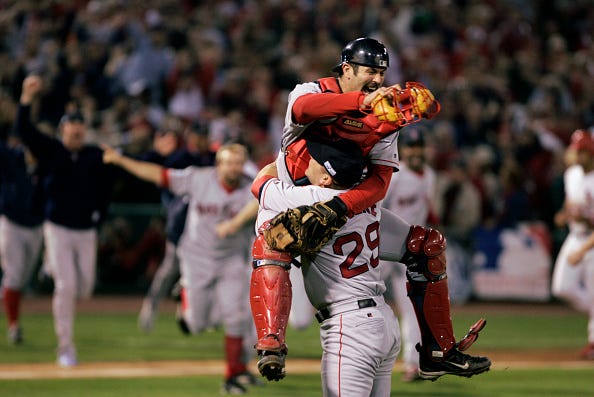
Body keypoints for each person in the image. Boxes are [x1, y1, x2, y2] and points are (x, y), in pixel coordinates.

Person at [250, 37, 491, 382]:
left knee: (427, 245)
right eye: (369, 71)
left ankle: (437, 352)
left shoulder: (385, 119)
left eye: (381, 72)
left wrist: (340, 206)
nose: (378, 79)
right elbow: (306, 110)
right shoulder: (309, 89)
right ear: (346, 69)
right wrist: (362, 102)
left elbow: (379, 183)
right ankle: (272, 342)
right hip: (296, 195)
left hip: (348, 202)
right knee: (272, 242)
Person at [102, 142, 263, 395]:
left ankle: (233, 374)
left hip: (231, 259)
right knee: (197, 324)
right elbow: (158, 174)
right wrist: (121, 160)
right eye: (229, 162)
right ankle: (184, 292)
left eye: (239, 162)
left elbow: (263, 198)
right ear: (218, 164)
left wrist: (235, 223)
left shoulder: (251, 185)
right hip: (197, 259)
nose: (235, 167)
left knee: (237, 316)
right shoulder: (198, 179)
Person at [253, 137, 401, 396]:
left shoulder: (315, 195)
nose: (308, 159)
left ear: (326, 179)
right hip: (382, 318)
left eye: (315, 159)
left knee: (269, 241)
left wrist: (282, 160)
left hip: (351, 326)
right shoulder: (367, 197)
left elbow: (260, 185)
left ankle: (271, 338)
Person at [15, 75, 117, 367]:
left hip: (85, 231)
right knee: (67, 287)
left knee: (85, 287)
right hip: (57, 228)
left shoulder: (93, 155)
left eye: (80, 131)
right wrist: (25, 99)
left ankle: (50, 269)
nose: (77, 135)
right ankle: (66, 348)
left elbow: (116, 172)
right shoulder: (52, 150)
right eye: (72, 131)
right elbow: (25, 130)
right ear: (63, 131)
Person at [137, 120, 216, 333]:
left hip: (204, 227)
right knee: (168, 270)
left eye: (204, 135)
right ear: (191, 137)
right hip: (181, 224)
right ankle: (151, 306)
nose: (202, 139)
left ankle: (190, 308)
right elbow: (159, 177)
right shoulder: (180, 158)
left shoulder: (212, 158)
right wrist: (157, 152)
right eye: (199, 135)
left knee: (205, 273)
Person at [379, 127, 435, 382]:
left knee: (413, 308)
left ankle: (413, 364)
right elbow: (375, 208)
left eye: (419, 146)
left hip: (407, 252)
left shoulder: (430, 176)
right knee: (358, 299)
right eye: (411, 146)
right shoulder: (395, 176)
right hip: (379, 249)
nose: (415, 151)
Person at [551, 129, 594, 360]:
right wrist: (564, 215)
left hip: (591, 241)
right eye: (576, 150)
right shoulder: (572, 174)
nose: (578, 155)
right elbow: (571, 203)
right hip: (575, 235)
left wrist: (582, 251)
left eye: (582, 151)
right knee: (561, 287)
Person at [0, 135, 45, 345]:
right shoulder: (12, 159)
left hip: (36, 227)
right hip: (11, 224)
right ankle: (14, 326)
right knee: (14, 275)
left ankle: (7, 296)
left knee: (22, 278)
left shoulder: (46, 165)